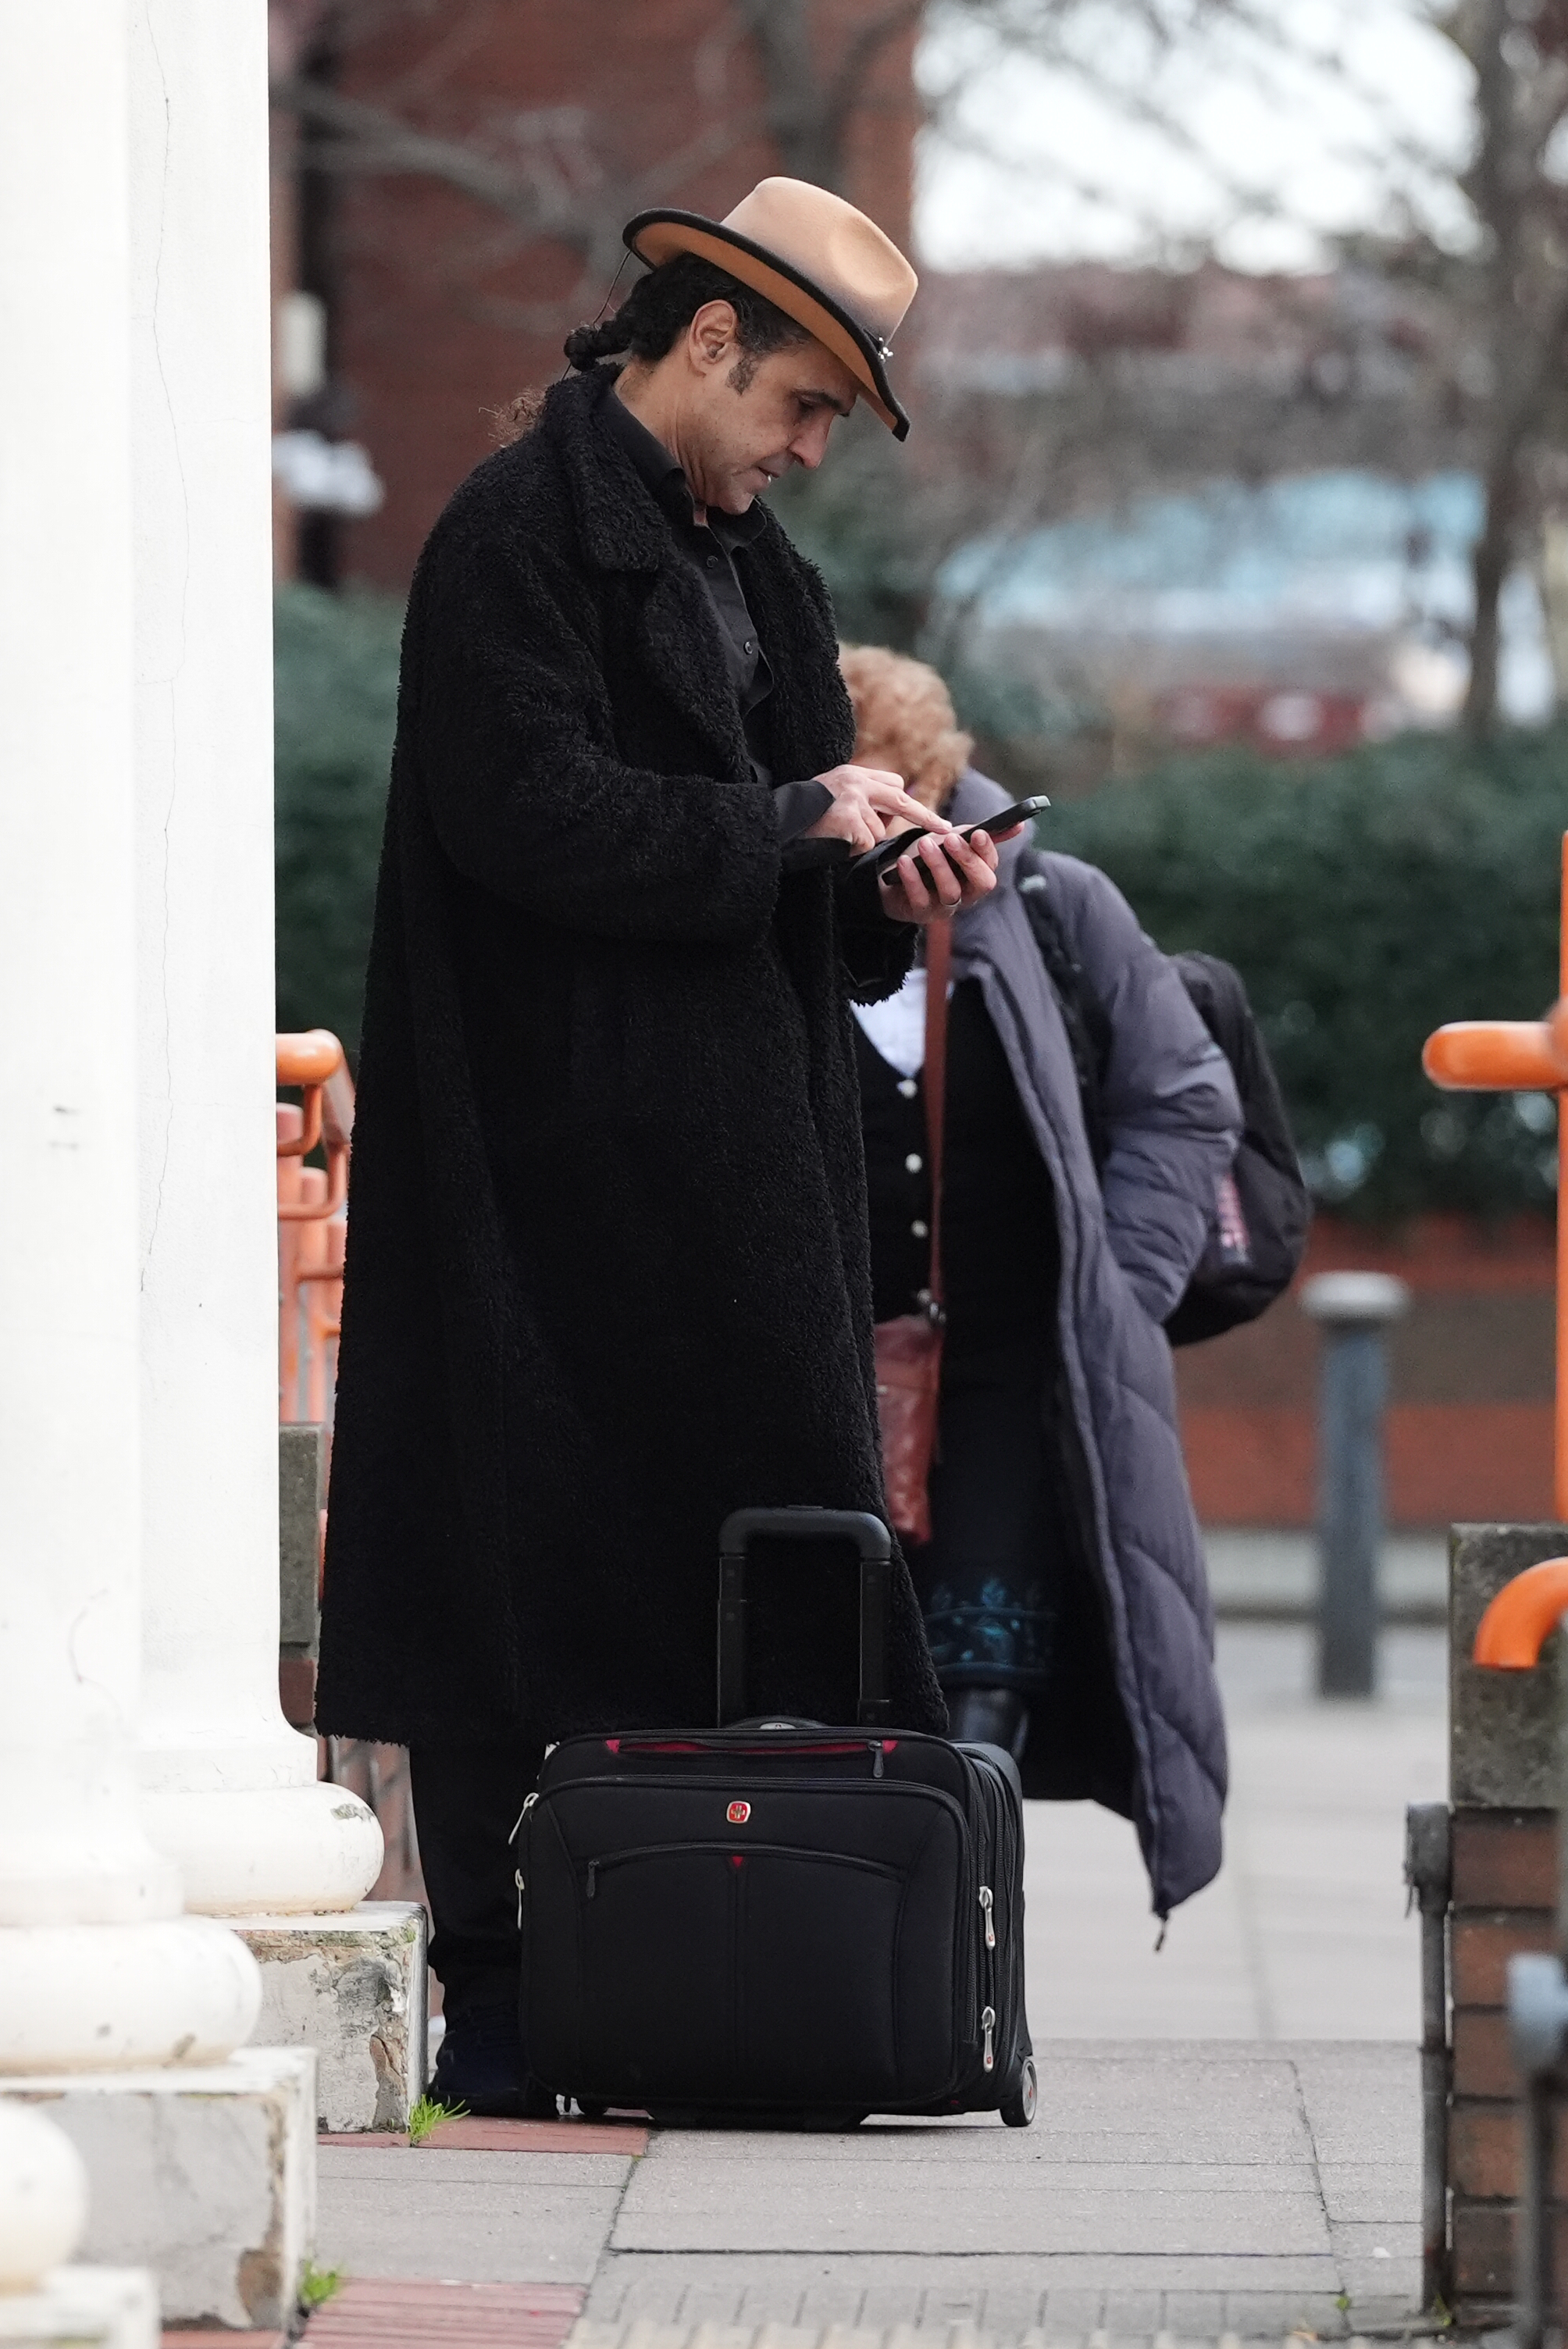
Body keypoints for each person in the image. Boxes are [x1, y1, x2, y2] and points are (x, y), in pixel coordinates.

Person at [315, 182, 1013, 2116]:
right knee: (508, 1588)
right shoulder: (511, 535)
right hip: (540, 1165)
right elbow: (522, 812)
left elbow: (784, 846)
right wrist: (795, 817)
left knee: (763, 1567)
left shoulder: (753, 564)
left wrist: (886, 870)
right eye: (798, 403)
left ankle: (754, 1969)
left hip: (732, 1169)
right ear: (702, 341)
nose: (802, 450)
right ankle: (516, 2002)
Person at [839, 646, 1242, 1921]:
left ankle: (956, 1959)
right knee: (826, 1678)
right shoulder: (778, 917)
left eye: (911, 811)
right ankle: (837, 1952)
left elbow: (1183, 1101)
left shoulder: (1056, 911)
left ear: (947, 790)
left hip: (1015, 1366)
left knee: (988, 1679)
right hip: (819, 1361)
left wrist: (1115, 1290)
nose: (890, 854)